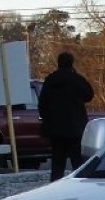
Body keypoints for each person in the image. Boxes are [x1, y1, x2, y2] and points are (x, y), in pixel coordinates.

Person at [38, 52, 95, 181]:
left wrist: (47, 120)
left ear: (58, 63)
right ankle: (79, 186)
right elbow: (89, 95)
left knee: (57, 165)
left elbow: (42, 104)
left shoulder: (50, 80)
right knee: (77, 163)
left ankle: (55, 190)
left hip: (56, 130)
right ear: (72, 63)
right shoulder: (77, 79)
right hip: (75, 129)